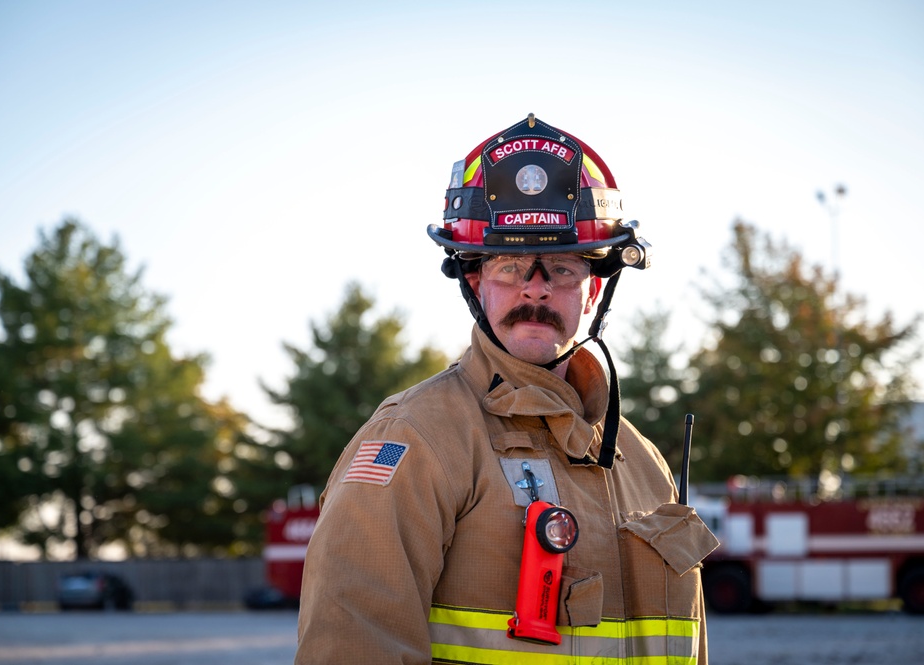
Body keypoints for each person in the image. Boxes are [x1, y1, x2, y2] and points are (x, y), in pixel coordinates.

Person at [294, 114, 718, 664]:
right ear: (475, 284)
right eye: (511, 265)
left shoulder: (641, 461)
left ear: (592, 292)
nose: (535, 288)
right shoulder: (419, 438)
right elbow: (350, 645)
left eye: (562, 268)